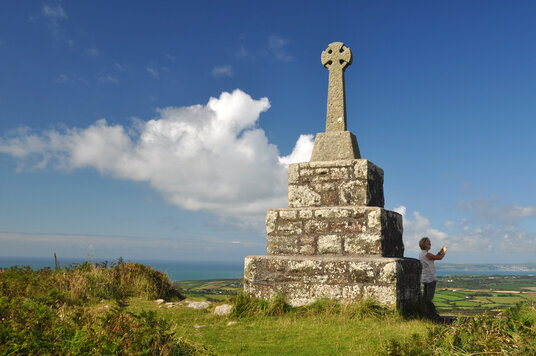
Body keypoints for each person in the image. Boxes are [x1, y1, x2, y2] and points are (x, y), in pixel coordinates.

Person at [419, 237, 447, 303]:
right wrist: (444, 252)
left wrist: (440, 252)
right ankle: (428, 311)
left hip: (425, 277)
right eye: (429, 244)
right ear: (426, 245)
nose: (430, 245)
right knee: (429, 297)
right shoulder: (427, 254)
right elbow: (439, 258)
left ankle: (424, 308)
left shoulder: (422, 254)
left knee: (425, 295)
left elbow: (434, 257)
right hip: (430, 278)